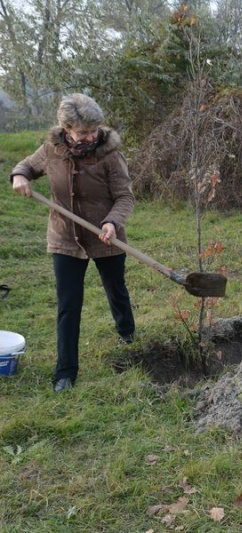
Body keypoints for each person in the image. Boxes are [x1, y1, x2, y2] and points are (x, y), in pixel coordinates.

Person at [10, 93, 136, 393]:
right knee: (68, 303)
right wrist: (19, 176)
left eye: (94, 130)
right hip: (65, 237)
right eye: (82, 132)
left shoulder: (110, 155)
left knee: (116, 289)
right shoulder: (51, 150)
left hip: (106, 235)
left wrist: (112, 222)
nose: (90, 137)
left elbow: (125, 196)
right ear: (66, 129)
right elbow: (26, 167)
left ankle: (128, 336)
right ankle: (65, 372)